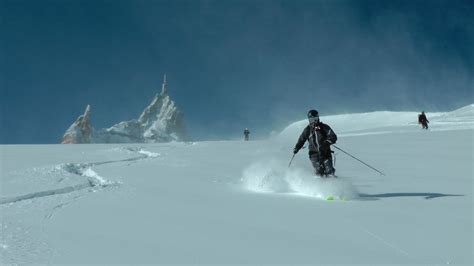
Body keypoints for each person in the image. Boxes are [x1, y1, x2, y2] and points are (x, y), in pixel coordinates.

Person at [293, 109, 338, 177]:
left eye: (315, 118)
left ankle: (333, 183)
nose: (314, 121)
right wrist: (297, 147)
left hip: (325, 152)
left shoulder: (324, 127)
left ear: (318, 118)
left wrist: (327, 143)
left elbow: (333, 136)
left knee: (329, 170)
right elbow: (301, 139)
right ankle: (320, 184)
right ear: (309, 120)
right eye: (312, 119)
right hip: (314, 154)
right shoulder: (308, 129)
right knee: (319, 172)